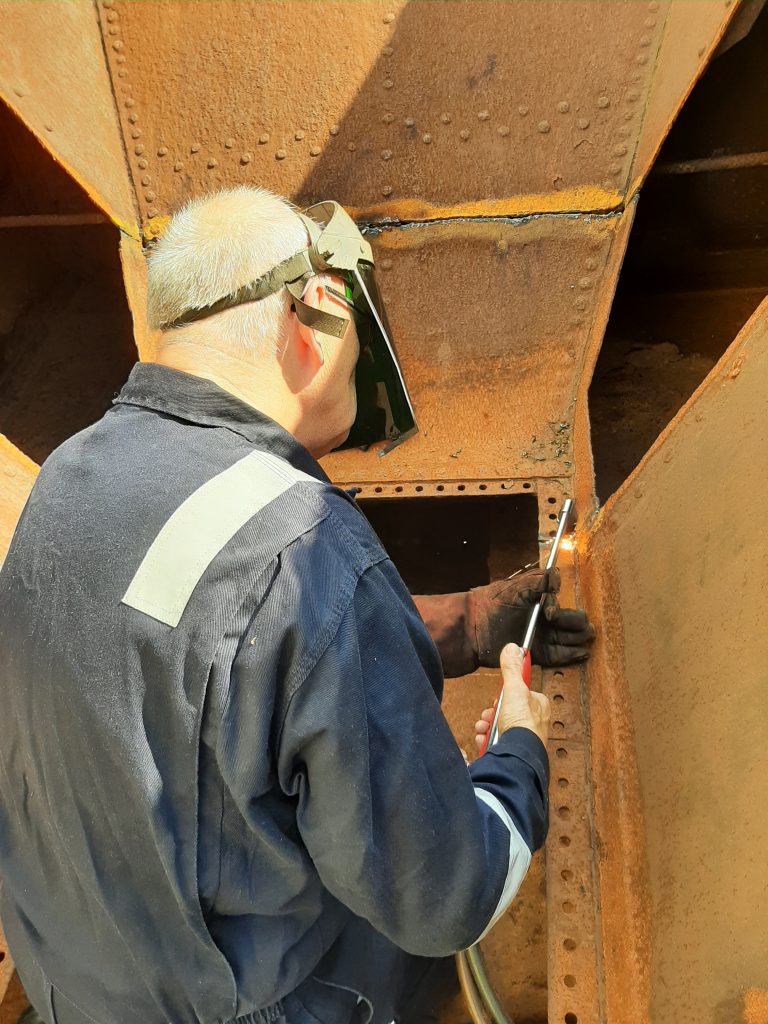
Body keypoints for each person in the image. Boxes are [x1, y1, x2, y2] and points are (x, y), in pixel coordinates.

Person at [0, 187, 594, 1024]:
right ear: (313, 316)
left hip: (83, 986)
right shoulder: (305, 542)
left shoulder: (70, 477)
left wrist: (467, 623)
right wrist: (520, 751)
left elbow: (206, 646)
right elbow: (446, 893)